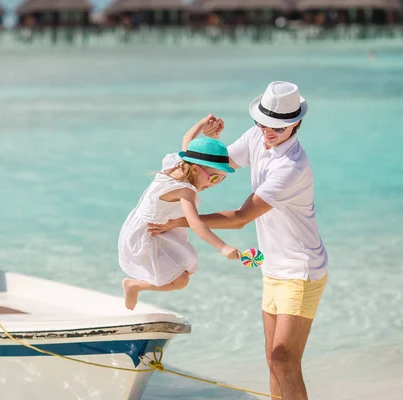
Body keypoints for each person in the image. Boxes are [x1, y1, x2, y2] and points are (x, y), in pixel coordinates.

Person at [148, 82, 328, 400]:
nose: (267, 131)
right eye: (263, 123)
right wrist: (205, 143)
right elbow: (212, 171)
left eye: (276, 126)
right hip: (273, 266)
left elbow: (241, 217)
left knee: (284, 360)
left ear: (295, 123)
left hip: (300, 269)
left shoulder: (291, 168)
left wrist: (183, 221)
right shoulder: (257, 137)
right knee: (273, 361)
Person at [119, 115, 241, 310]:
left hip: (162, 228)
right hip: (148, 234)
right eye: (214, 178)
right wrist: (223, 247)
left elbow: (187, 139)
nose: (213, 184)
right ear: (194, 169)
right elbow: (196, 223)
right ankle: (134, 285)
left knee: (186, 268)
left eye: (220, 179)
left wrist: (202, 124)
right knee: (181, 280)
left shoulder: (177, 163)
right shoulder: (185, 190)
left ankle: (134, 285)